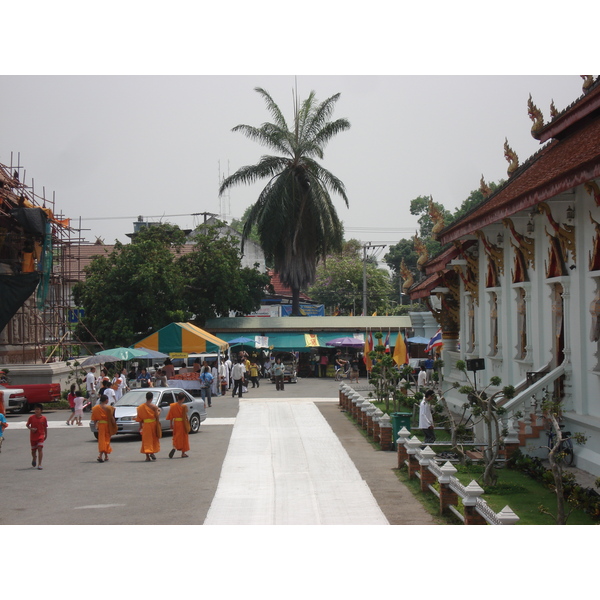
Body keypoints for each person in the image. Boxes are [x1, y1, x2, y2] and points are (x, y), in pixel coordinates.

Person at [91, 394, 117, 462]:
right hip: (107, 425)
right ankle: (100, 455)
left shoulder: (96, 408)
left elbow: (95, 419)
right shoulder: (109, 408)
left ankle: (105, 456)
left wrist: (95, 425)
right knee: (106, 440)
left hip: (101, 425)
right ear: (106, 400)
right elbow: (112, 418)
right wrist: (114, 425)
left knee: (102, 439)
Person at [135, 391, 161, 461]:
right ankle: (152, 452)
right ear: (152, 398)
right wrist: (159, 412)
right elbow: (156, 417)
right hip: (153, 424)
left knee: (146, 440)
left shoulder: (140, 407)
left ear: (146, 398)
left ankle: (147, 456)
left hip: (145, 425)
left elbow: (140, 418)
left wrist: (140, 426)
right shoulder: (154, 407)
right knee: (153, 439)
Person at [166, 392, 190, 459]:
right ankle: (183, 453)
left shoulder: (173, 406)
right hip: (183, 423)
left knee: (176, 436)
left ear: (177, 398)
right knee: (184, 437)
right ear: (184, 399)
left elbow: (171, 416)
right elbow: (186, 415)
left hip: (176, 422)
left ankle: (174, 446)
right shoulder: (184, 406)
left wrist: (171, 424)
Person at [26, 404, 48, 469]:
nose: (36, 411)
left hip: (40, 436)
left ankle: (40, 464)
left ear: (41, 410)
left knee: (40, 448)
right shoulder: (31, 418)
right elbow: (27, 425)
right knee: (33, 450)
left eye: (38, 409)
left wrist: (46, 435)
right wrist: (31, 429)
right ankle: (34, 458)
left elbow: (45, 427)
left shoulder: (44, 418)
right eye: (35, 409)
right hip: (33, 436)